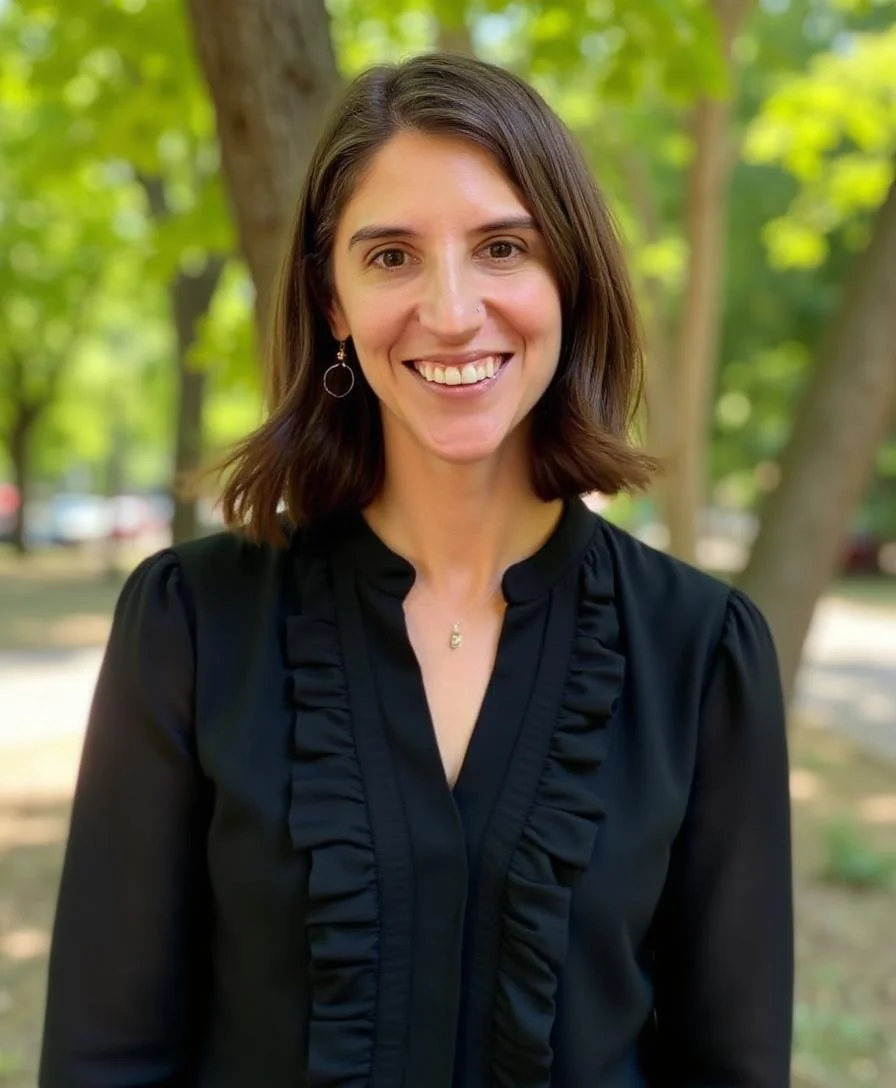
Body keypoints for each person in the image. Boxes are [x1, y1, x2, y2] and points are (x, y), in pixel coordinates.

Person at [40, 51, 793, 1088]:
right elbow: (104, 1058)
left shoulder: (701, 650)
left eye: (500, 247)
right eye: (390, 256)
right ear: (333, 300)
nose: (449, 310)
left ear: (565, 276)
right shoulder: (190, 624)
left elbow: (731, 1064)